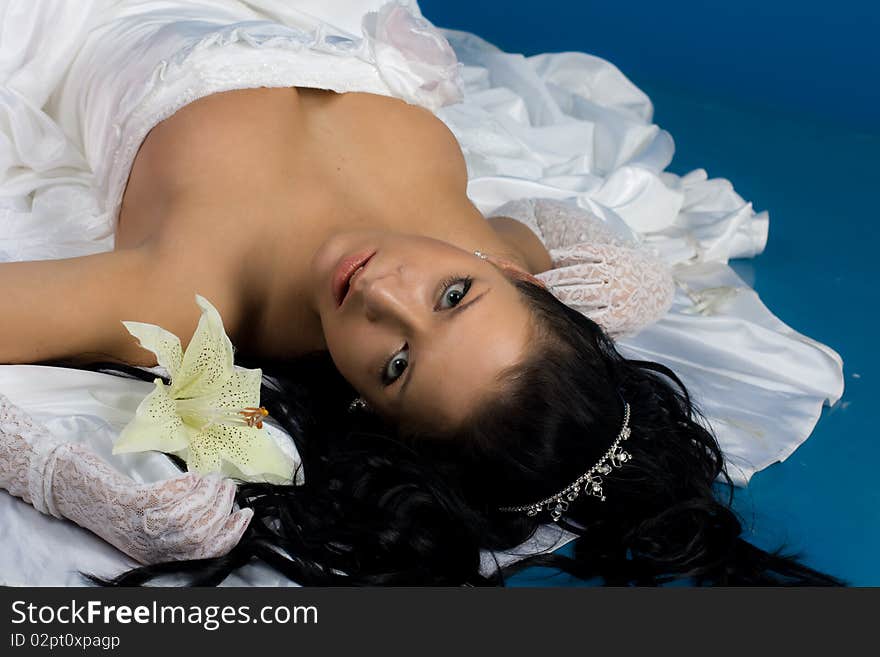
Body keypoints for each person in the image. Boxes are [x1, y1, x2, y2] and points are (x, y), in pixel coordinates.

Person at [0, 0, 844, 586]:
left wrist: (73, 480)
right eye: (453, 298)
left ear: (371, 409)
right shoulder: (483, 237)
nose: (384, 291)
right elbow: (570, 237)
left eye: (397, 362)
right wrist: (608, 287)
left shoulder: (187, 296)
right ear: (516, 276)